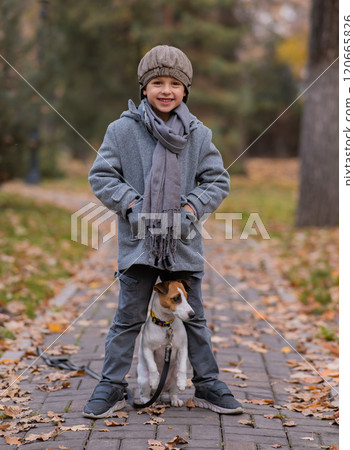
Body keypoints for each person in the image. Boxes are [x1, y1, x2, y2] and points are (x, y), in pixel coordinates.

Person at [83, 45, 243, 418]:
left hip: (183, 244)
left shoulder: (199, 134)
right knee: (128, 318)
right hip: (139, 243)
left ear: (185, 90)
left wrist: (190, 208)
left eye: (175, 83)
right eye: (157, 82)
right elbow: (102, 175)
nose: (166, 90)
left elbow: (217, 180)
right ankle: (110, 385)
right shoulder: (121, 131)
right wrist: (133, 206)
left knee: (195, 318)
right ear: (144, 88)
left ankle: (207, 384)